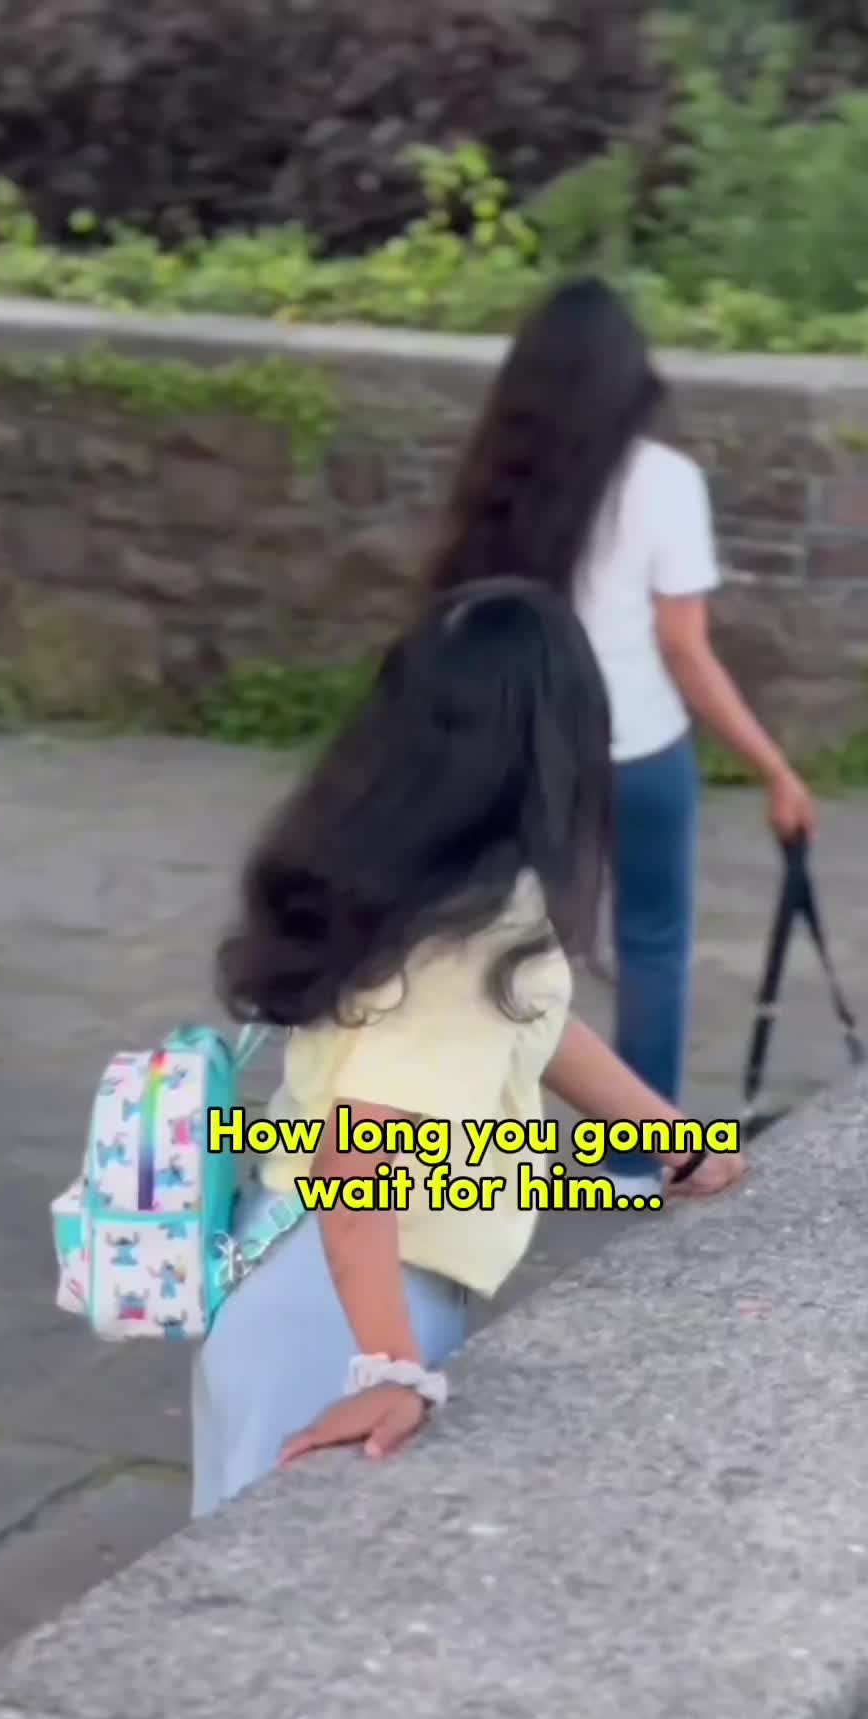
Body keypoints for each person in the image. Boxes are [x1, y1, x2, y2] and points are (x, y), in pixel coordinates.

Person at [194, 580, 743, 1517]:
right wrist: (386, 1367)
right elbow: (356, 1153)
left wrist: (673, 1142)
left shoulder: (418, 877)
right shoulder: (470, 931)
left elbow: (530, 1024)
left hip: (297, 1274)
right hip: (337, 1308)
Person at [428, 277, 818, 1193]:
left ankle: (478, 1132)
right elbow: (684, 648)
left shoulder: (497, 477)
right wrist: (774, 770)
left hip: (519, 750)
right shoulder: (665, 482)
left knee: (496, 944)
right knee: (652, 949)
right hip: (639, 750)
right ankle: (640, 1156)